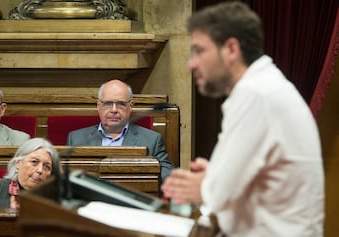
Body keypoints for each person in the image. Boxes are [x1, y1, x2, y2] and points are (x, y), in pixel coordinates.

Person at [161, 2, 324, 237]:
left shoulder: (256, 94)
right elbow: (236, 183)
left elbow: (218, 194)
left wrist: (208, 185)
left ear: (231, 49)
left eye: (199, 51)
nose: (191, 63)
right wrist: (215, 179)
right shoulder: (265, 86)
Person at [67, 79, 174, 181]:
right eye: (108, 103)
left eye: (121, 104)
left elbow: (167, 175)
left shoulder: (152, 140)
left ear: (130, 106)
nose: (114, 110)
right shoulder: (76, 139)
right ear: (99, 106)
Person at [0, 137, 60, 208]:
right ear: (18, 163)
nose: (40, 170)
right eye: (34, 162)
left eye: (46, 166)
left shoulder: (56, 201)